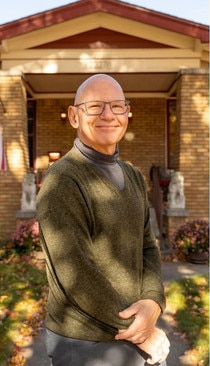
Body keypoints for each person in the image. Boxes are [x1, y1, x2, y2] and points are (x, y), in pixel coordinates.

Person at [37, 74, 170, 365]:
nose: (108, 115)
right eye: (95, 106)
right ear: (74, 116)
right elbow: (76, 273)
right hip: (85, 343)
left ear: (127, 113)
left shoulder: (133, 176)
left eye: (117, 106)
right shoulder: (62, 181)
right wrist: (141, 332)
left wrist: (152, 302)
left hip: (131, 335)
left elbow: (148, 246)